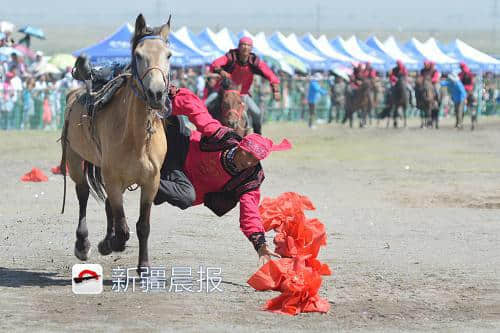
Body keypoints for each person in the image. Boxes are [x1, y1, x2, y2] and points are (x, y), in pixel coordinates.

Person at [154, 87, 291, 264]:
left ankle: (144, 178)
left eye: (255, 160)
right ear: (241, 147)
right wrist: (173, 95)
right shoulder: (224, 137)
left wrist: (260, 244)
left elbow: (250, 212)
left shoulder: (250, 178)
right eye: (248, 155)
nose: (249, 162)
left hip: (181, 179)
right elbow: (198, 112)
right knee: (164, 112)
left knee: (186, 197)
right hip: (181, 145)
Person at [207, 36, 281, 134]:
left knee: (257, 113)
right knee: (205, 105)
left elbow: (270, 74)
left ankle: (257, 138)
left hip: (243, 95)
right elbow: (214, 64)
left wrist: (275, 89)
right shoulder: (230, 57)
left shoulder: (254, 61)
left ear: (251, 49)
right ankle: (202, 133)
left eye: (248, 45)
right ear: (238, 46)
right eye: (243, 45)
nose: (245, 47)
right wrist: (221, 71)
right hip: (225, 93)